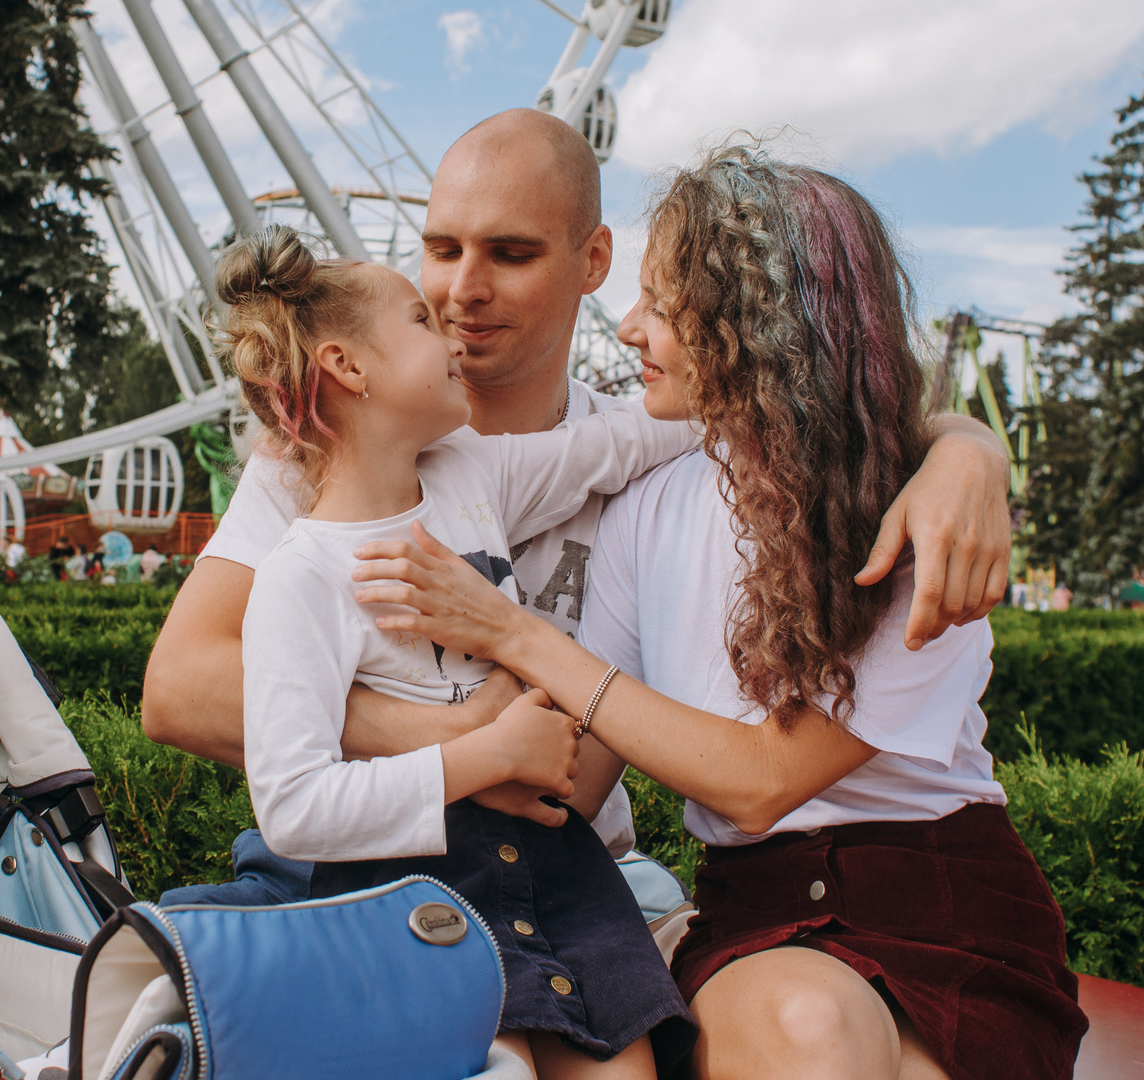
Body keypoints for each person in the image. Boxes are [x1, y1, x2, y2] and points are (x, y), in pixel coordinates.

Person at [349, 146, 1086, 1080]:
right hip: (760, 936)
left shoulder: (913, 518)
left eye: (664, 300)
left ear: (754, 322)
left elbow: (757, 784)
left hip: (949, 944)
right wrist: (376, 711)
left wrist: (525, 641)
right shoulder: (651, 503)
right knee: (802, 1015)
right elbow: (575, 780)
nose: (630, 323)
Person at [141, 108, 1017, 902]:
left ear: (593, 260)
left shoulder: (638, 456)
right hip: (354, 857)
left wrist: (962, 447)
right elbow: (181, 690)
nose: (461, 292)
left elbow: (791, 405)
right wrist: (463, 736)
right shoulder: (322, 453)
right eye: (441, 250)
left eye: (510, 254)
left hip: (560, 871)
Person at [215, 224, 703, 1080]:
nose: (454, 332)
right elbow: (291, 804)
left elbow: (625, 446)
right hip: (425, 914)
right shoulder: (301, 579)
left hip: (567, 890)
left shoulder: (475, 474)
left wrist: (934, 431)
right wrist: (482, 755)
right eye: (423, 321)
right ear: (346, 368)